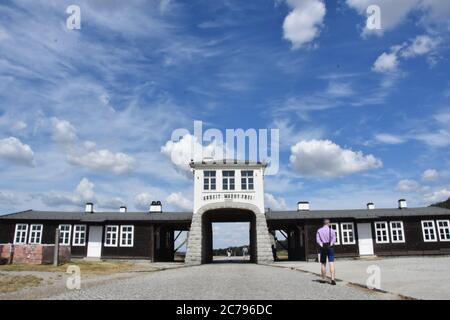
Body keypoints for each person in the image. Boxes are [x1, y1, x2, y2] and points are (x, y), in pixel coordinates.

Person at [316, 219, 337, 285]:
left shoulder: (319, 230)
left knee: (323, 264)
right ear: (328, 224)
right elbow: (334, 239)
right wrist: (331, 244)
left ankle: (323, 279)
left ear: (323, 223)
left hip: (323, 247)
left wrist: (321, 244)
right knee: (331, 263)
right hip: (330, 247)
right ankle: (332, 280)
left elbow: (318, 240)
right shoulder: (332, 230)